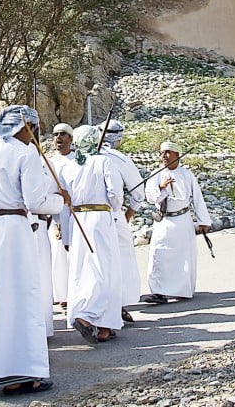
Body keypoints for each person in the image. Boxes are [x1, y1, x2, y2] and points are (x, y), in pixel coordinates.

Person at [0, 105, 69, 396]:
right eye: (33, 128)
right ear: (25, 127)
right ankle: (20, 374)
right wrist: (60, 200)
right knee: (19, 299)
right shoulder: (26, 153)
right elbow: (35, 201)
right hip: (12, 230)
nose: (35, 134)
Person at [65, 125, 123, 343]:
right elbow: (115, 194)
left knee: (82, 268)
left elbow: (65, 196)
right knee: (104, 268)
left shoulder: (70, 166)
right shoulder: (103, 161)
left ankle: (91, 316)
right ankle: (92, 318)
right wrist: (114, 207)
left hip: (77, 219)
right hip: (100, 216)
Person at [141, 141, 212, 303]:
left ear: (177, 155)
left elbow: (198, 199)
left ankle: (182, 290)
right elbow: (151, 198)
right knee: (159, 255)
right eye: (162, 153)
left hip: (182, 221)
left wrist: (203, 221)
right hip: (163, 221)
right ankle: (158, 292)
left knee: (182, 256)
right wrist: (161, 186)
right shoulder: (156, 174)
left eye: (168, 152)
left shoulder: (187, 175)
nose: (164, 156)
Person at [100, 119, 146, 325]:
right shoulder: (119, 160)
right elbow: (138, 192)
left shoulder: (79, 156)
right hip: (112, 215)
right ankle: (117, 305)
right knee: (120, 260)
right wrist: (128, 215)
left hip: (81, 217)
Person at [46, 123, 76, 309]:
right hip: (55, 215)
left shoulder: (78, 161)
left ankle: (73, 293)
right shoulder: (48, 162)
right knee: (57, 256)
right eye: (56, 134)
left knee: (73, 255)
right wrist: (55, 218)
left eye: (63, 134)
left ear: (70, 139)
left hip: (74, 215)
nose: (59, 138)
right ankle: (60, 295)